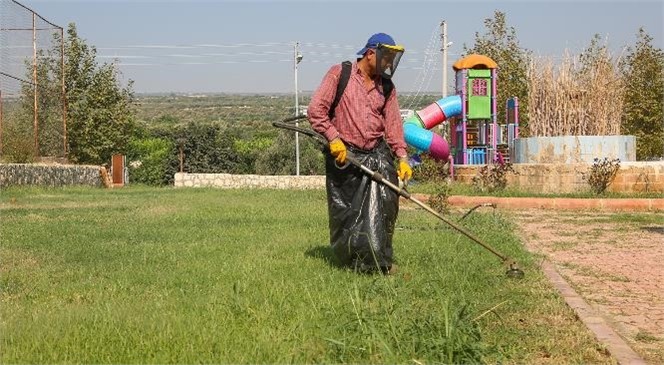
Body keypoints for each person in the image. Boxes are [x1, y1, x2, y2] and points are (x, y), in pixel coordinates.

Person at [307, 32, 412, 275]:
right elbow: (316, 111)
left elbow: (394, 124)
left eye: (391, 60)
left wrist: (403, 157)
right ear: (370, 53)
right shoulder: (339, 74)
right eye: (386, 58)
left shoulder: (386, 87)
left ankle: (377, 262)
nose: (388, 64)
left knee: (385, 205)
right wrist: (334, 139)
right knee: (348, 211)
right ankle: (350, 259)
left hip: (376, 153)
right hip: (345, 156)